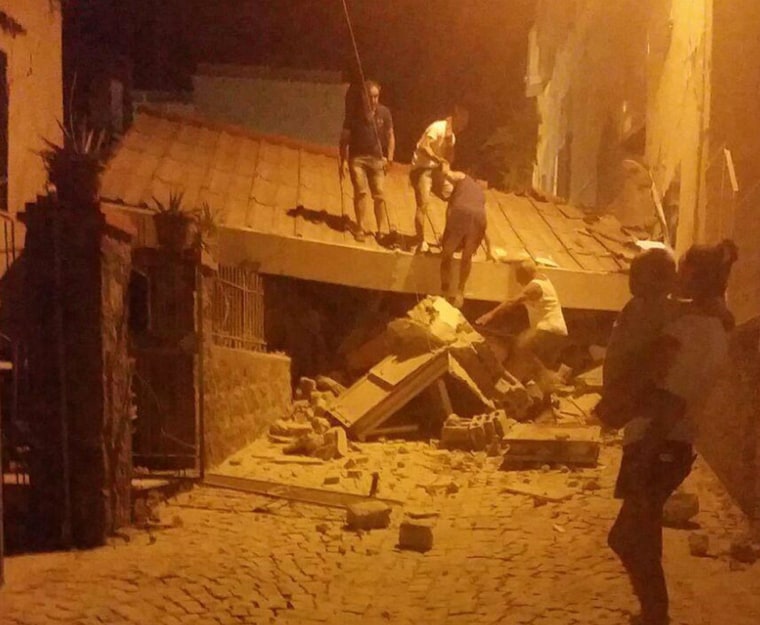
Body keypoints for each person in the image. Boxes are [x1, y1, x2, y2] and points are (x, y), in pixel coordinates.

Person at [607, 239, 738, 625]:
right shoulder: (702, 324)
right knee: (642, 535)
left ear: (693, 276)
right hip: (663, 442)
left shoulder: (694, 332)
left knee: (626, 537)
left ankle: (656, 615)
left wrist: (643, 451)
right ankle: (653, 613)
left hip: (660, 443)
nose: (673, 280)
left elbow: (672, 400)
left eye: (679, 271)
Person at [596, 247, 678, 429]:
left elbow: (639, 362)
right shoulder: (638, 307)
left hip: (635, 404)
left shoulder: (654, 311)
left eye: (638, 273)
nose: (631, 280)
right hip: (626, 399)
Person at [475, 258, 567, 393]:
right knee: (529, 357)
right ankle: (547, 385)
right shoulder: (543, 280)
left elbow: (512, 302)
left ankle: (546, 377)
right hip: (557, 332)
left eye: (518, 277)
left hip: (549, 329)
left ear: (523, 277)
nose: (517, 282)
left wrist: (489, 315)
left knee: (521, 344)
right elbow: (525, 260)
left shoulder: (534, 286)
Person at [339, 79, 396, 242]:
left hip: (377, 159)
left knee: (379, 195)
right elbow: (344, 139)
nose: (373, 100)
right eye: (370, 97)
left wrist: (390, 158)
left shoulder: (384, 112)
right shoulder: (354, 113)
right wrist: (343, 161)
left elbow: (390, 135)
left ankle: (380, 230)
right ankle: (360, 227)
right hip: (357, 159)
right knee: (361, 192)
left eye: (376, 97)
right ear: (364, 96)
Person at [409, 104, 470, 254]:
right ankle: (420, 240)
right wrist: (437, 159)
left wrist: (450, 147)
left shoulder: (452, 137)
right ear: (456, 118)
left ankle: (448, 238)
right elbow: (424, 146)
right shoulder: (437, 127)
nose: (463, 127)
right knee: (423, 204)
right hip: (421, 169)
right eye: (462, 122)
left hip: (436, 171)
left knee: (456, 197)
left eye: (465, 125)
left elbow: (449, 161)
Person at [439, 168, 493, 308]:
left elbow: (449, 217)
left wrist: (443, 165)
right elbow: (483, 229)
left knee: (447, 253)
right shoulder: (480, 194)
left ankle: (445, 290)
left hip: (460, 212)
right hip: (480, 218)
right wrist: (489, 250)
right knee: (467, 256)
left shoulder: (462, 178)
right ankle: (460, 291)